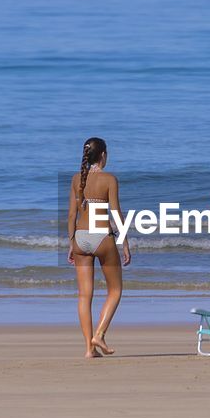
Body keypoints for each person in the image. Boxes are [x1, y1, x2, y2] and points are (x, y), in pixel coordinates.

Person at [67, 137, 130, 357]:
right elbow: (116, 213)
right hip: (102, 237)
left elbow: (72, 215)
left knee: (84, 295)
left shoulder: (77, 179)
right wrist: (125, 243)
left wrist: (70, 243)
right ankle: (99, 334)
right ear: (103, 155)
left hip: (80, 238)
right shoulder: (109, 179)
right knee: (115, 290)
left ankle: (88, 349)